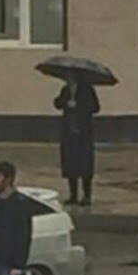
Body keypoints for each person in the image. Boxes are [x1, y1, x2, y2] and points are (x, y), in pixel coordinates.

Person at [55, 78, 100, 206]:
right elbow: (57, 104)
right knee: (70, 163)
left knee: (85, 163)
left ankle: (86, 195)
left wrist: (78, 105)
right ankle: (73, 195)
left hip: (83, 132)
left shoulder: (87, 90)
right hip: (69, 132)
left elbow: (95, 107)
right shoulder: (65, 90)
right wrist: (65, 102)